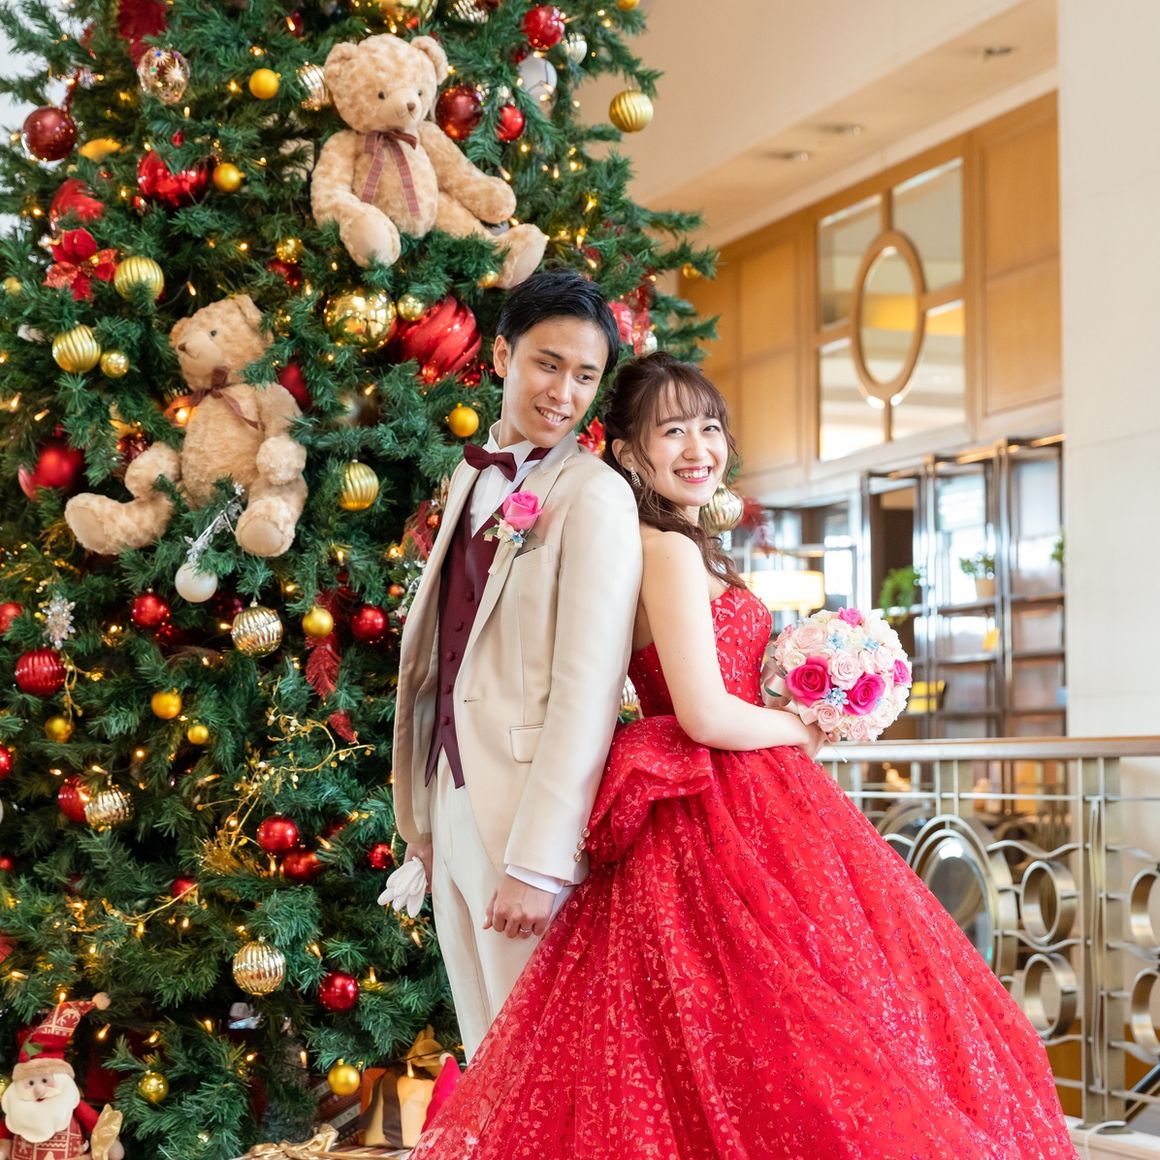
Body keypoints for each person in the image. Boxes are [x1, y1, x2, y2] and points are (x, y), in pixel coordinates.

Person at [410, 352, 1077, 1159]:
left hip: (748, 798)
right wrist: (807, 728)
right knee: (781, 1030)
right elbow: (703, 712)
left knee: (785, 1027)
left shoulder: (683, 543)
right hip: (707, 803)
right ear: (627, 453)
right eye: (673, 432)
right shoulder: (663, 549)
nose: (700, 448)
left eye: (710, 427)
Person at [391, 269, 642, 1059]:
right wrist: (424, 824)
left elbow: (587, 692)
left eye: (585, 376)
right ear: (502, 356)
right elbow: (440, 657)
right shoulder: (468, 473)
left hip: (525, 821)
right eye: (548, 364)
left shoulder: (596, 496)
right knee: (486, 1054)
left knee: (542, 1064)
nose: (564, 393)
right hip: (451, 802)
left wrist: (539, 862)